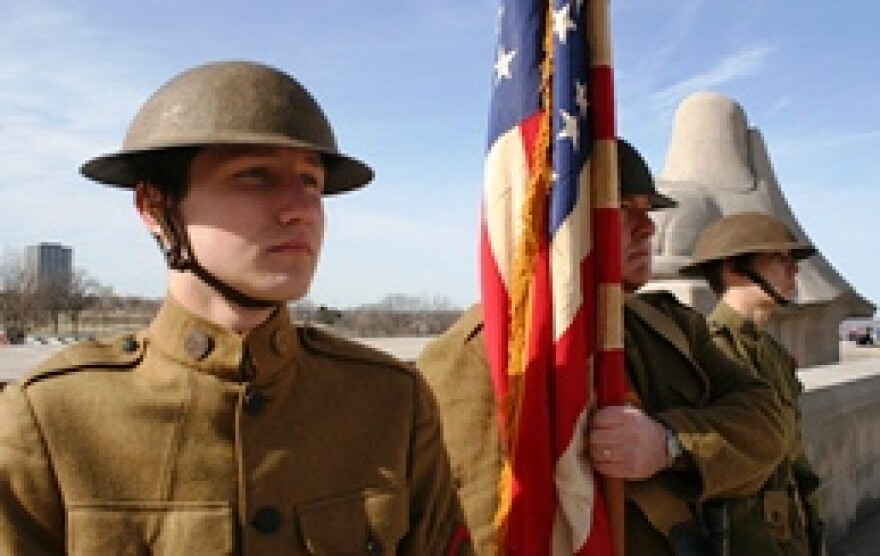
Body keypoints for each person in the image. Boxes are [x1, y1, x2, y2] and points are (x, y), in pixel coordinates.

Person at [0, 60, 472, 555]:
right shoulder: (54, 418)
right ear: (154, 206)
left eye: (311, 182)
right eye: (254, 176)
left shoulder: (389, 403)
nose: (301, 209)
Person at [417, 139, 787, 555]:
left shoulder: (672, 325)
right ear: (562, 222)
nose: (648, 228)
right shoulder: (484, 353)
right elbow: (490, 529)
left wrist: (670, 443)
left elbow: (769, 422)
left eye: (647, 211)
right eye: (622, 209)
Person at [679, 212, 826, 555]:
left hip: (790, 536)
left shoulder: (774, 354)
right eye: (779, 258)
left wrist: (814, 528)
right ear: (734, 269)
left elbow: (795, 457)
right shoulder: (706, 349)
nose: (794, 269)